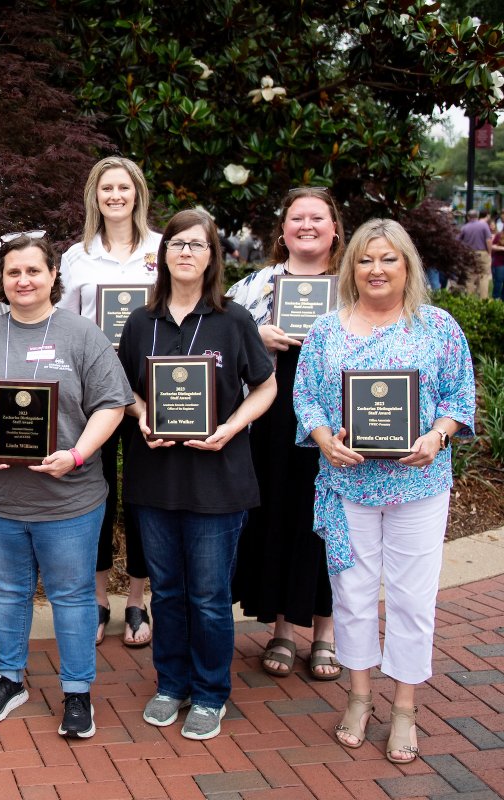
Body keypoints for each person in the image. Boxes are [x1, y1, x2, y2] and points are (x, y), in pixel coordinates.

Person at [294, 219, 475, 764]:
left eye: (388, 259)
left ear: (407, 266)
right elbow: (307, 399)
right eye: (366, 259)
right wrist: (325, 440)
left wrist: (436, 436)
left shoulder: (438, 327)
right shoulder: (327, 330)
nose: (376, 269)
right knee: (351, 594)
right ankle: (358, 695)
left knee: (412, 599)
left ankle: (404, 706)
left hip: (418, 483)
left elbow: (458, 397)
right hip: (347, 483)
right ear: (351, 266)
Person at [0, 233, 131, 737]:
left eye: (33, 271)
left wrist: (77, 454)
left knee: (71, 597)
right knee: (7, 592)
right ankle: (10, 679)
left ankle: (76, 692)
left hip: (69, 499)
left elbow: (113, 403)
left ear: (52, 276)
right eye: (13, 272)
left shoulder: (82, 335)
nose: (23, 280)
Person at [116, 209, 276, 741]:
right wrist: (142, 416)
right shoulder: (141, 323)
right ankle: (171, 685)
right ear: (164, 255)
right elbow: (125, 390)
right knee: (165, 591)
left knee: (208, 595)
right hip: (155, 477)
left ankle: (210, 693)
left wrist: (231, 426)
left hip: (218, 479)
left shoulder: (234, 321)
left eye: (197, 245)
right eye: (177, 243)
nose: (185, 252)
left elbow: (266, 386)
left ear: (213, 257)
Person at [227, 187, 345, 681]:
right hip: (272, 420)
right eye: (297, 218)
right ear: (283, 230)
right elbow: (220, 336)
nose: (307, 226)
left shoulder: (353, 284)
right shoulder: (257, 285)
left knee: (329, 520)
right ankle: (281, 627)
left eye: (317, 218)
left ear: (334, 228)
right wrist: (258, 334)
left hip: (338, 419)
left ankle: (326, 633)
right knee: (277, 512)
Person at [57, 155, 161, 647]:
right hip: (93, 392)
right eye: (106, 189)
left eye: (123, 187)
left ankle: (137, 601)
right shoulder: (76, 256)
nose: (115, 196)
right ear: (94, 198)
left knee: (143, 496)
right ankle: (98, 600)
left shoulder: (163, 251)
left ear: (137, 193)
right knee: (95, 496)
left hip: (150, 391)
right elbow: (66, 327)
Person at [456, 209, 492, 298]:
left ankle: (469, 299)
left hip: (469, 254)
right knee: (484, 276)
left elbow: (457, 241)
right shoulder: (484, 225)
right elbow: (488, 240)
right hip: (482, 253)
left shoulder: (465, 227)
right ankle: (484, 299)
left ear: (468, 217)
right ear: (478, 216)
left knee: (470, 277)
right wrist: (489, 252)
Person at [491, 222, 504, 301]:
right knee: (498, 281)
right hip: (499, 262)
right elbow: (492, 246)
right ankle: (495, 297)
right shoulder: (499, 235)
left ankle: (502, 299)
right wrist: (502, 248)